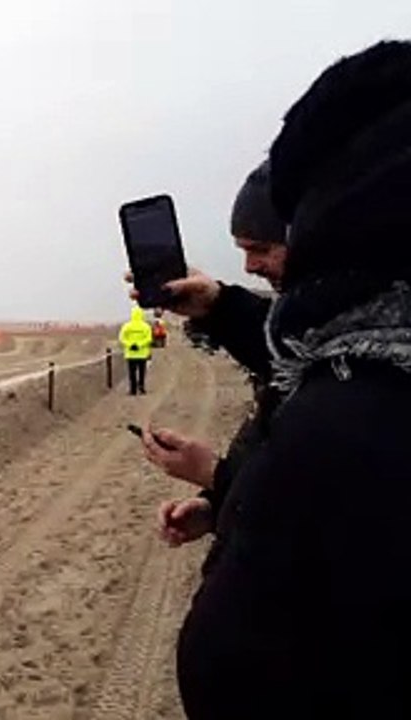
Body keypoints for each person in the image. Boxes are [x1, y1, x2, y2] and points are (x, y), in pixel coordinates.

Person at [176, 40, 411, 718]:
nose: (253, 266)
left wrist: (225, 481)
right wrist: (219, 307)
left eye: (262, 248)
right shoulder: (351, 353)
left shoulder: (354, 407)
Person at [145, 159, 287, 553]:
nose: (250, 266)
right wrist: (216, 505)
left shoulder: (366, 361)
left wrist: (217, 475)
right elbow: (289, 353)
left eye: (261, 249)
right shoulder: (321, 332)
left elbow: (328, 507)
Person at [118, 305, 153, 395]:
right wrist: (139, 345)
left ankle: (133, 389)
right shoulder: (146, 326)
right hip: (142, 353)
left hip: (130, 354)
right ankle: (141, 386)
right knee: (142, 371)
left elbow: (122, 338)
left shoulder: (127, 326)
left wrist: (131, 345)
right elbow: (149, 338)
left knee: (132, 372)